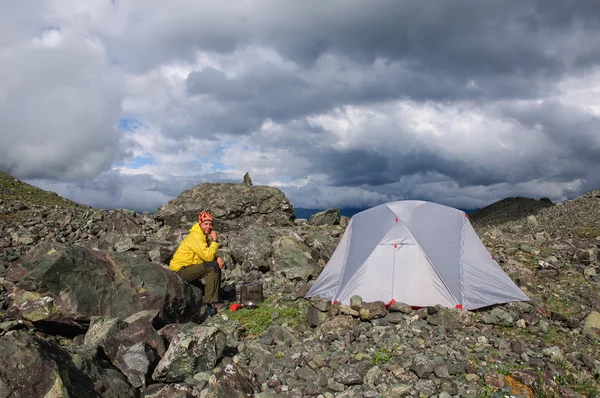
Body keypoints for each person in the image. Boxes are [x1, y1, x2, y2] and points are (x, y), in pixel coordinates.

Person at [169, 211, 225, 310]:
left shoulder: (202, 236)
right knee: (213, 266)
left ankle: (216, 298)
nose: (208, 226)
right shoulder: (196, 236)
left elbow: (206, 253)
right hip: (180, 271)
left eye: (210, 224)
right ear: (200, 224)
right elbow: (207, 257)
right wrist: (215, 241)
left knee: (214, 265)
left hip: (188, 268)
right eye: (205, 224)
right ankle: (212, 302)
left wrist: (218, 257)